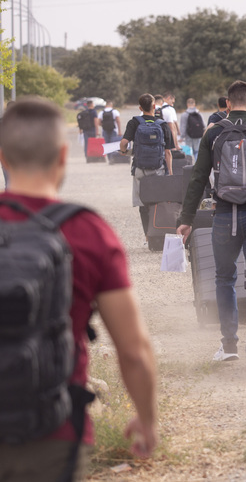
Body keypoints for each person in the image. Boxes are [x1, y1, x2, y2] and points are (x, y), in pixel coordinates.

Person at [0, 97, 158, 479]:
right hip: (54, 433)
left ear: (2, 157)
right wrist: (147, 419)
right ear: (61, 156)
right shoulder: (88, 231)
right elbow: (133, 350)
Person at [175, 80, 246, 362]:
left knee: (225, 279)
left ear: (227, 104)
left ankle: (229, 347)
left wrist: (187, 218)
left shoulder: (213, 132)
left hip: (225, 215)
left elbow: (199, 177)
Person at [120, 94, 174, 239]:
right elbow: (168, 152)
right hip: (158, 169)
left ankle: (147, 235)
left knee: (143, 204)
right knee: (158, 203)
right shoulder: (162, 124)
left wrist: (124, 152)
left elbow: (124, 143)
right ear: (154, 107)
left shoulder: (134, 122)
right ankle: (159, 233)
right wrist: (170, 173)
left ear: (140, 108)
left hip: (140, 169)